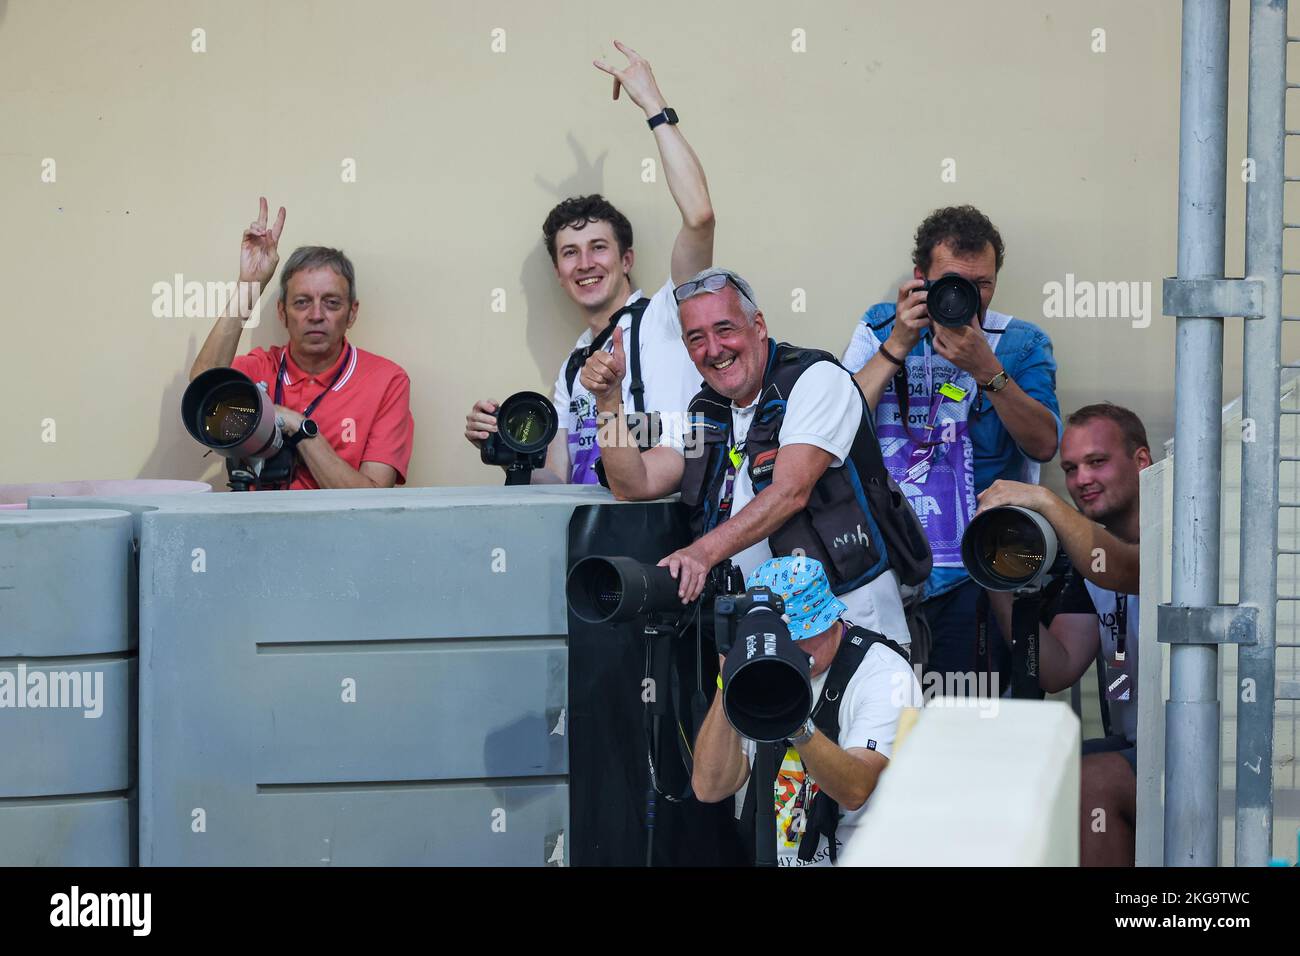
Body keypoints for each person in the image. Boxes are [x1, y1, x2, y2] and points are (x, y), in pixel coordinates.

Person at [591, 267, 913, 646]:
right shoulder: (704, 410)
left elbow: (790, 491)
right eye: (697, 338)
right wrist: (609, 400)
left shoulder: (815, 379)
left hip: (848, 627)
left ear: (758, 325)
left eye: (725, 329)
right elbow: (634, 483)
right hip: (758, 639)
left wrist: (700, 554)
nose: (713, 350)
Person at [464, 41, 711, 484]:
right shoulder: (573, 365)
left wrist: (654, 107)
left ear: (627, 259)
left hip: (668, 535)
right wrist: (506, 446)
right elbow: (557, 479)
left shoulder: (668, 316)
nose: (584, 263)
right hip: (594, 547)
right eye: (569, 253)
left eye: (598, 247)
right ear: (559, 274)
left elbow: (700, 217)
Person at [842, 204, 1062, 693]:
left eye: (982, 284)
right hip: (885, 565)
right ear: (921, 278)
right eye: (952, 282)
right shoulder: (881, 326)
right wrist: (896, 345)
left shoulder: (1021, 344)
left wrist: (988, 371)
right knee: (886, 720)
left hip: (980, 569)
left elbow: (1045, 444)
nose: (969, 296)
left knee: (963, 728)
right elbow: (838, 426)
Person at [976, 403, 1148, 865]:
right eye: (1069, 469)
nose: (1081, 480)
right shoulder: (1091, 561)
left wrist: (1044, 499)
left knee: (1089, 781)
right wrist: (1000, 572)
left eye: (1097, 462)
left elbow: (1124, 568)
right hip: (1141, 752)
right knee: (1034, 768)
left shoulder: (1177, 528)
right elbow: (1058, 667)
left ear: (1143, 462)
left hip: (1204, 754)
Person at [691, 556, 921, 866]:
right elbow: (709, 787)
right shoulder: (758, 664)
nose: (788, 649)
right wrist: (727, 678)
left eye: (797, 638)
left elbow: (856, 789)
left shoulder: (885, 673)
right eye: (782, 640)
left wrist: (794, 720)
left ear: (830, 622)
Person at [189, 198, 414, 490]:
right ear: (283, 313)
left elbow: (373, 499)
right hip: (260, 528)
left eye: (331, 303)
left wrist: (295, 425)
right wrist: (250, 285)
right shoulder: (261, 367)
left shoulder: (387, 381)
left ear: (352, 313)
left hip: (341, 532)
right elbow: (202, 384)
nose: (317, 315)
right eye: (302, 302)